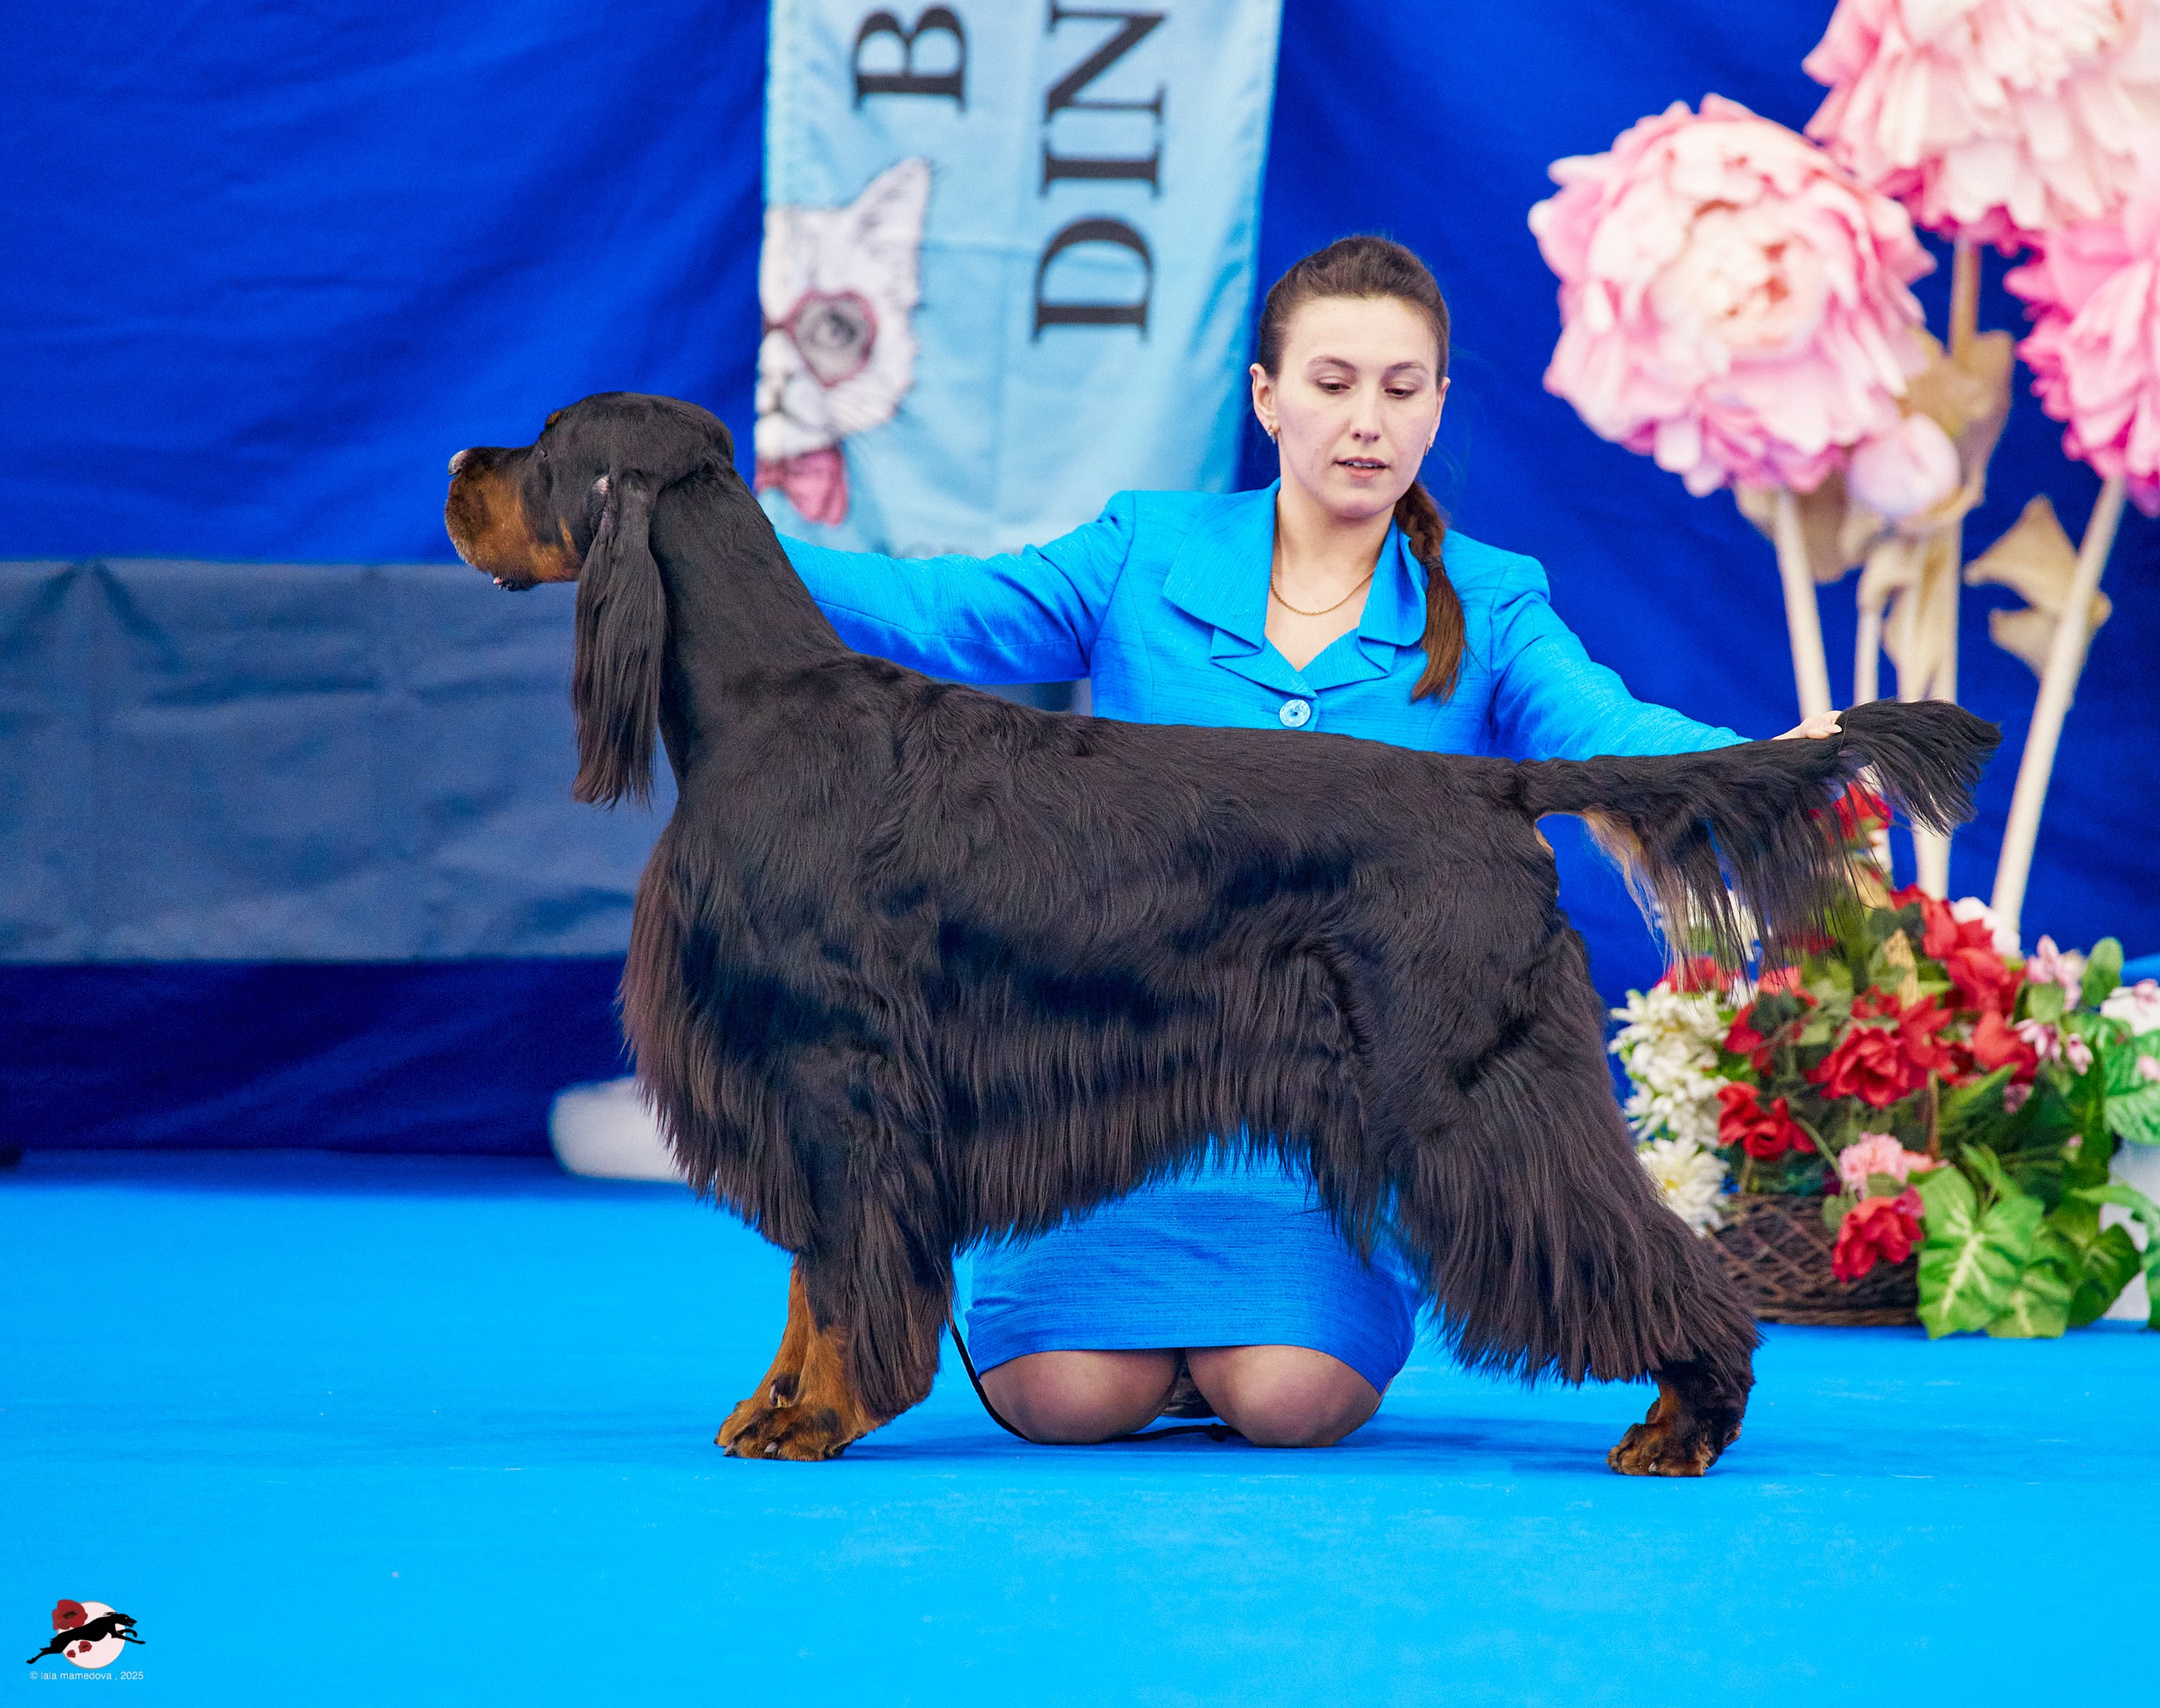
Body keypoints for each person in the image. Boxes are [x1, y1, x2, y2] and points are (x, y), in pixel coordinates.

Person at [779, 235, 1839, 1450]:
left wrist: (1765, 754)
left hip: (1318, 1141)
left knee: (1289, 1401)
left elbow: (1603, 728)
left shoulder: (1487, 600)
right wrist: (719, 543)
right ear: (1267, 397)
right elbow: (939, 614)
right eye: (1331, 383)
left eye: (1401, 387)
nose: (1364, 421)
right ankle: (1141, 1345)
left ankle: (1265, 1336)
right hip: (1106, 1111)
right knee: (1059, 1402)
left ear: (1439, 406)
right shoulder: (1142, 551)